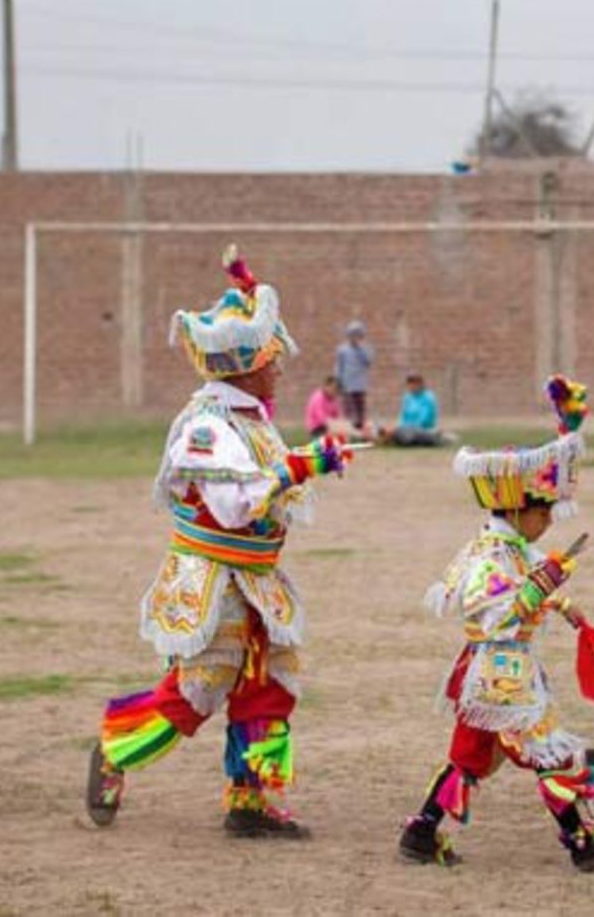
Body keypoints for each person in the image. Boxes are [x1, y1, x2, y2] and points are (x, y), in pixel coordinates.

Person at [85, 247, 355, 837]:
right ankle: (115, 745)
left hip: (254, 579)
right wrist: (297, 468)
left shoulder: (251, 419)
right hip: (214, 579)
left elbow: (267, 488)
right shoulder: (209, 425)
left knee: (269, 686)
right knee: (198, 691)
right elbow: (235, 506)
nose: (280, 368)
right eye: (271, 359)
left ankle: (251, 802)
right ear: (247, 366)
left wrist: (306, 461)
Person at [397, 377, 594, 873]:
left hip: (488, 674)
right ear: (515, 509)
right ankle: (582, 840)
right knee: (547, 755)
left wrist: (561, 601)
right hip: (501, 673)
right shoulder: (489, 554)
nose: (547, 521)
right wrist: (542, 586)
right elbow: (492, 609)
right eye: (541, 511)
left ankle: (423, 829)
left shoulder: (509, 548)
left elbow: (530, 579)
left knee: (468, 757)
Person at [382, 372, 444, 446]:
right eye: (410, 384)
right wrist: (402, 428)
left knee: (407, 436)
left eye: (414, 384)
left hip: (423, 429)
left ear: (420, 384)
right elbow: (403, 417)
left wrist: (408, 428)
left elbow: (425, 419)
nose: (412, 387)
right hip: (407, 430)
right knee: (397, 432)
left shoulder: (428, 398)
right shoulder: (408, 397)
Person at [334, 320, 373, 432]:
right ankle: (349, 431)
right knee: (348, 410)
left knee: (360, 410)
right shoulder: (342, 350)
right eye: (352, 335)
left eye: (357, 335)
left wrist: (360, 348)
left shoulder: (365, 349)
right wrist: (338, 381)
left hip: (360, 385)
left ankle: (361, 431)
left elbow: (368, 361)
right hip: (347, 385)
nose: (354, 338)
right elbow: (339, 366)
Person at [304, 374, 343, 439]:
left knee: (341, 434)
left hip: (328, 426)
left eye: (336, 389)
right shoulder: (318, 398)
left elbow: (337, 415)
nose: (335, 391)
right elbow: (321, 418)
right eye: (333, 388)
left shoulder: (333, 399)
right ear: (327, 386)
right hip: (316, 428)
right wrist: (333, 427)